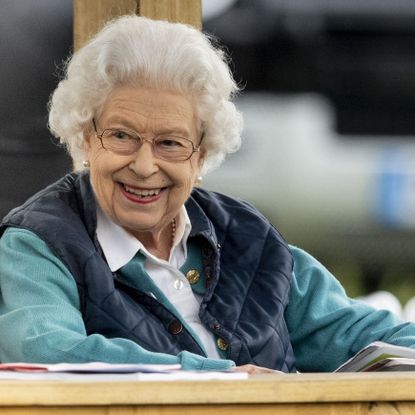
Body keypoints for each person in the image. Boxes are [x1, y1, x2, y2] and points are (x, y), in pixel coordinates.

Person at [1, 15, 415, 374]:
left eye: (171, 143)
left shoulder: (249, 239)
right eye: (122, 136)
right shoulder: (37, 245)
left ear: (201, 156)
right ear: (86, 138)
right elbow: (50, 353)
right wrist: (227, 380)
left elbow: (362, 333)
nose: (145, 166)